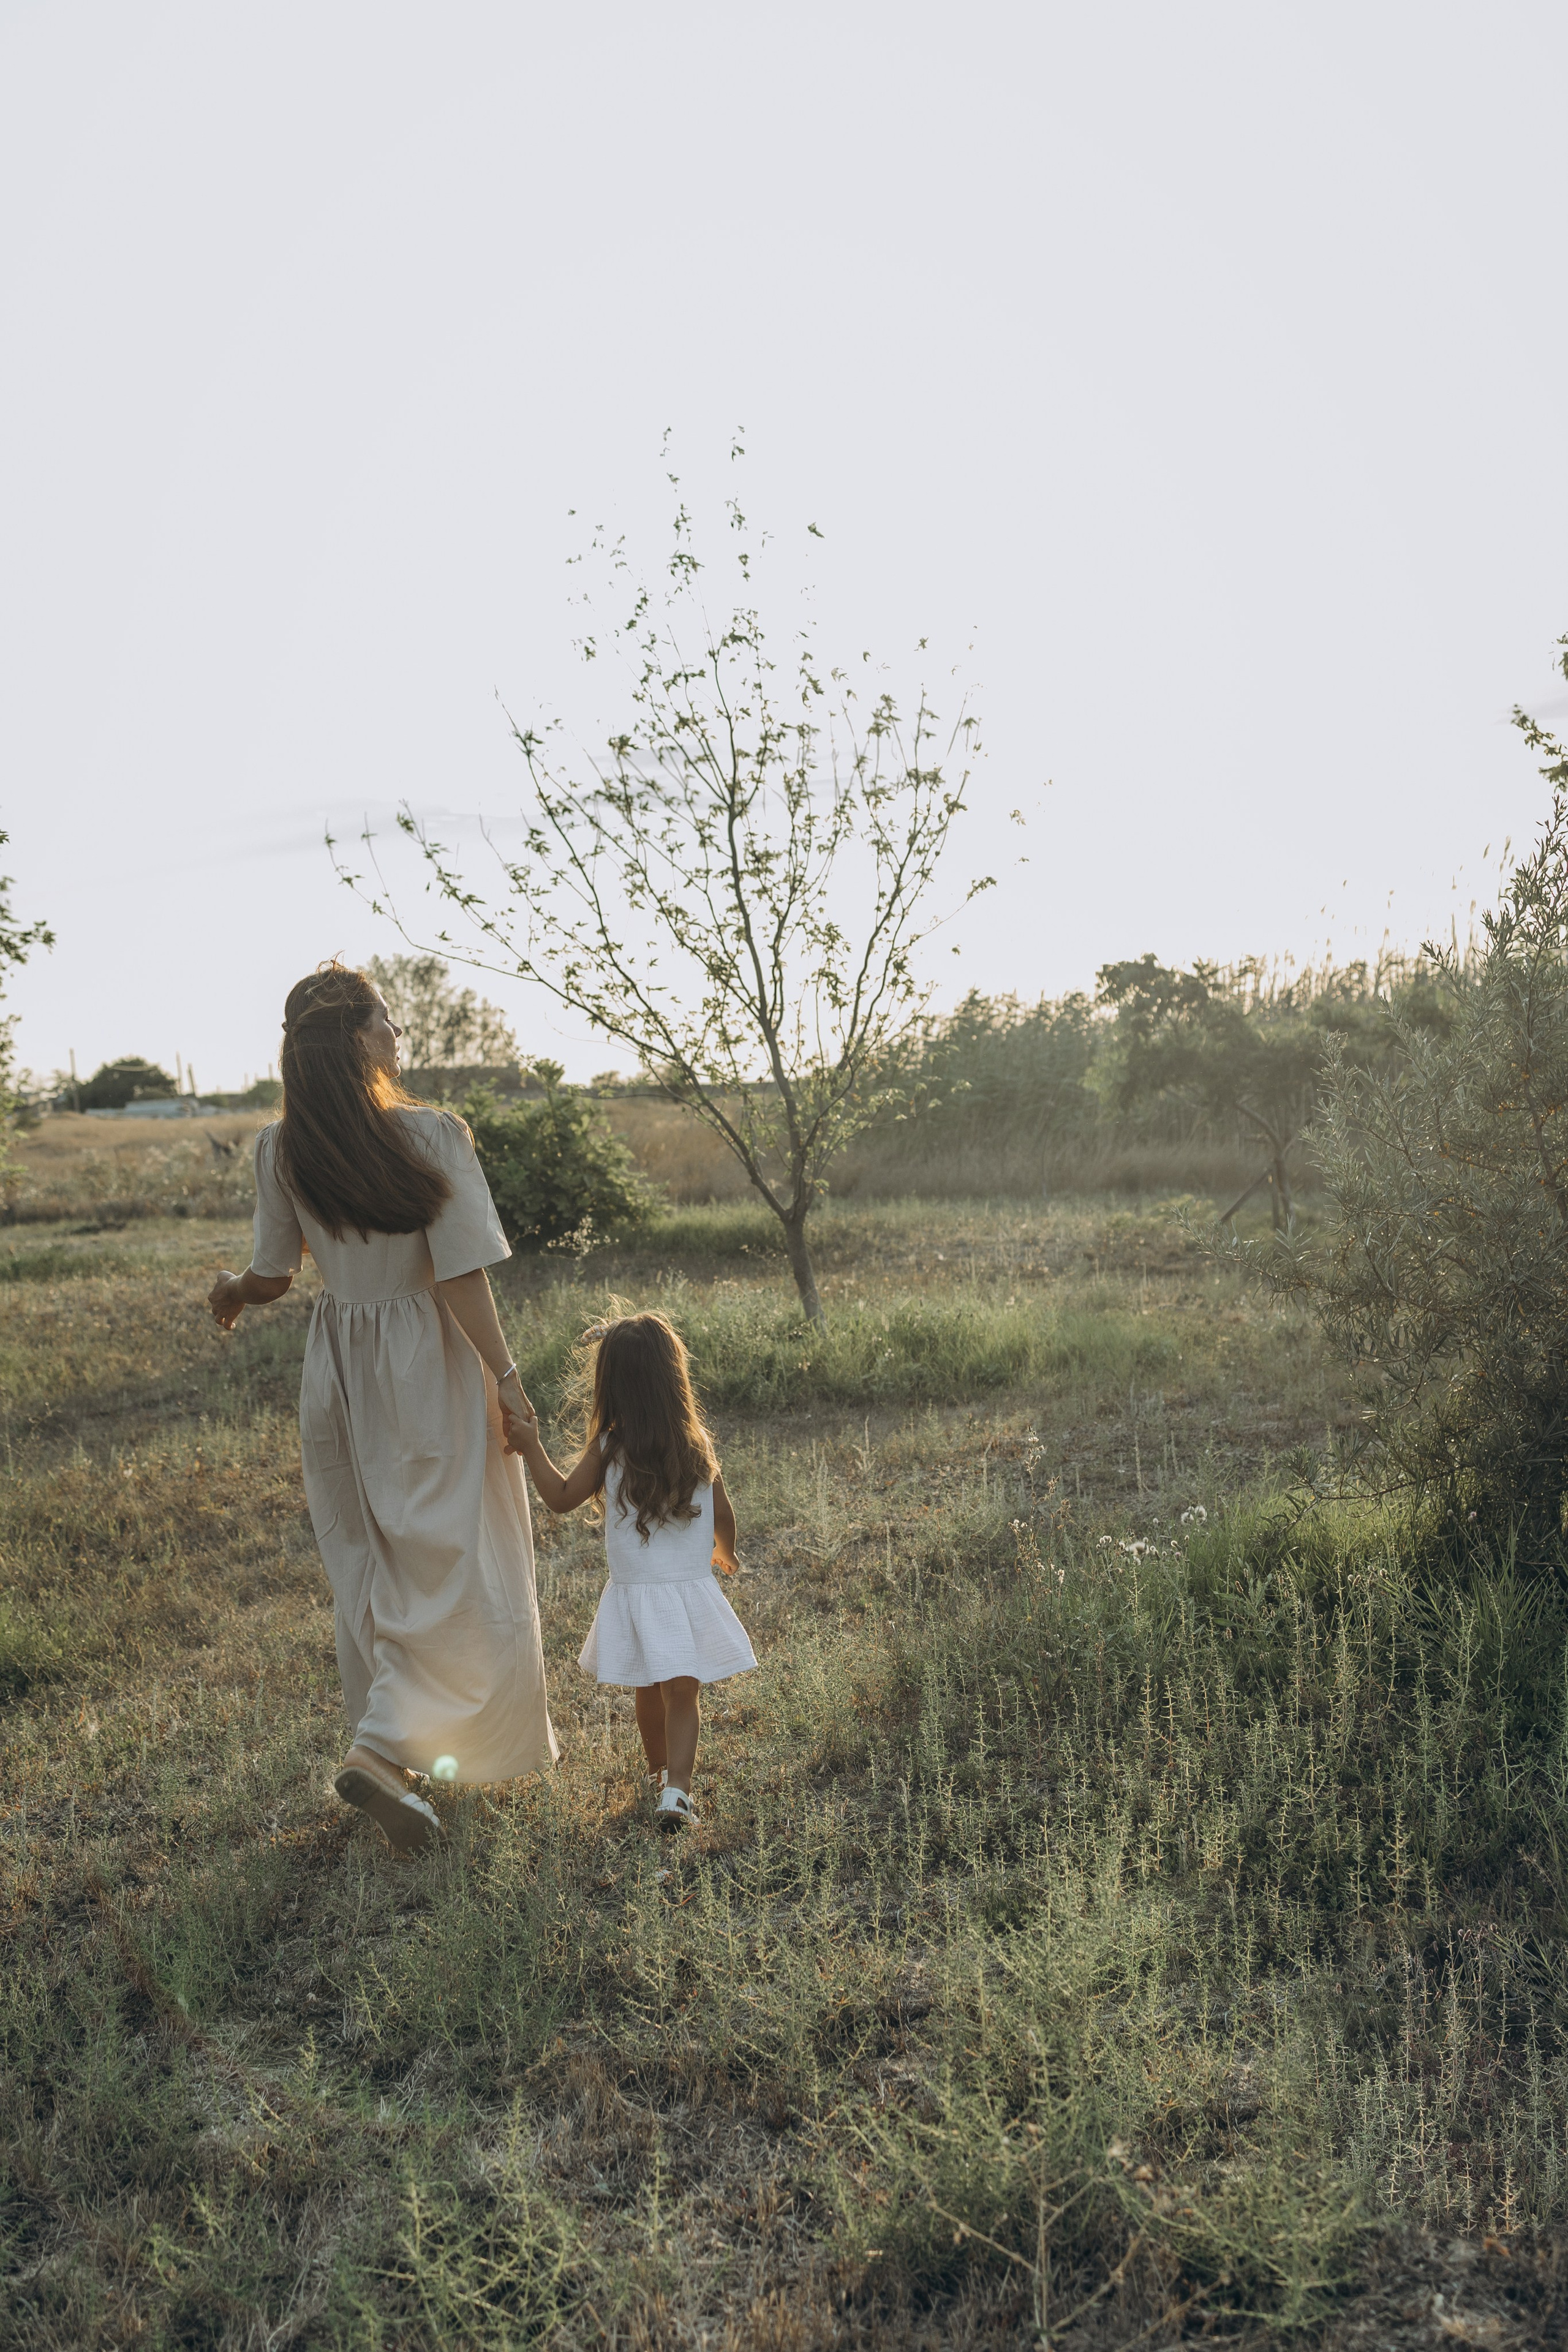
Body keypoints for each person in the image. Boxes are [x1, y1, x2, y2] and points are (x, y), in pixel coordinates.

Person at [206, 962, 556, 1853]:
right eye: (387, 1020)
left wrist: (233, 1290)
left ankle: (402, 1752)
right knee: (455, 1555)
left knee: (377, 1559)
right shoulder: (434, 1135)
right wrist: (512, 1388)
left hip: (342, 1370)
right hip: (431, 1360)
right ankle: (386, 1749)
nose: (399, 1035)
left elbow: (278, 1274)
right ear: (358, 1038)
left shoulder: (281, 1148)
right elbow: (461, 1275)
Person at [507, 1311, 754, 1828]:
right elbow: (724, 1513)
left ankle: (658, 1772)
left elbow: (559, 1498)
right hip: (686, 1592)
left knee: (649, 1686)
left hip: (639, 1594)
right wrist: (725, 1550)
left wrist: (532, 1446)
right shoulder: (695, 1445)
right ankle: (677, 1792)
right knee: (682, 1693)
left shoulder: (609, 1448)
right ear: (674, 1379)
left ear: (611, 1386)